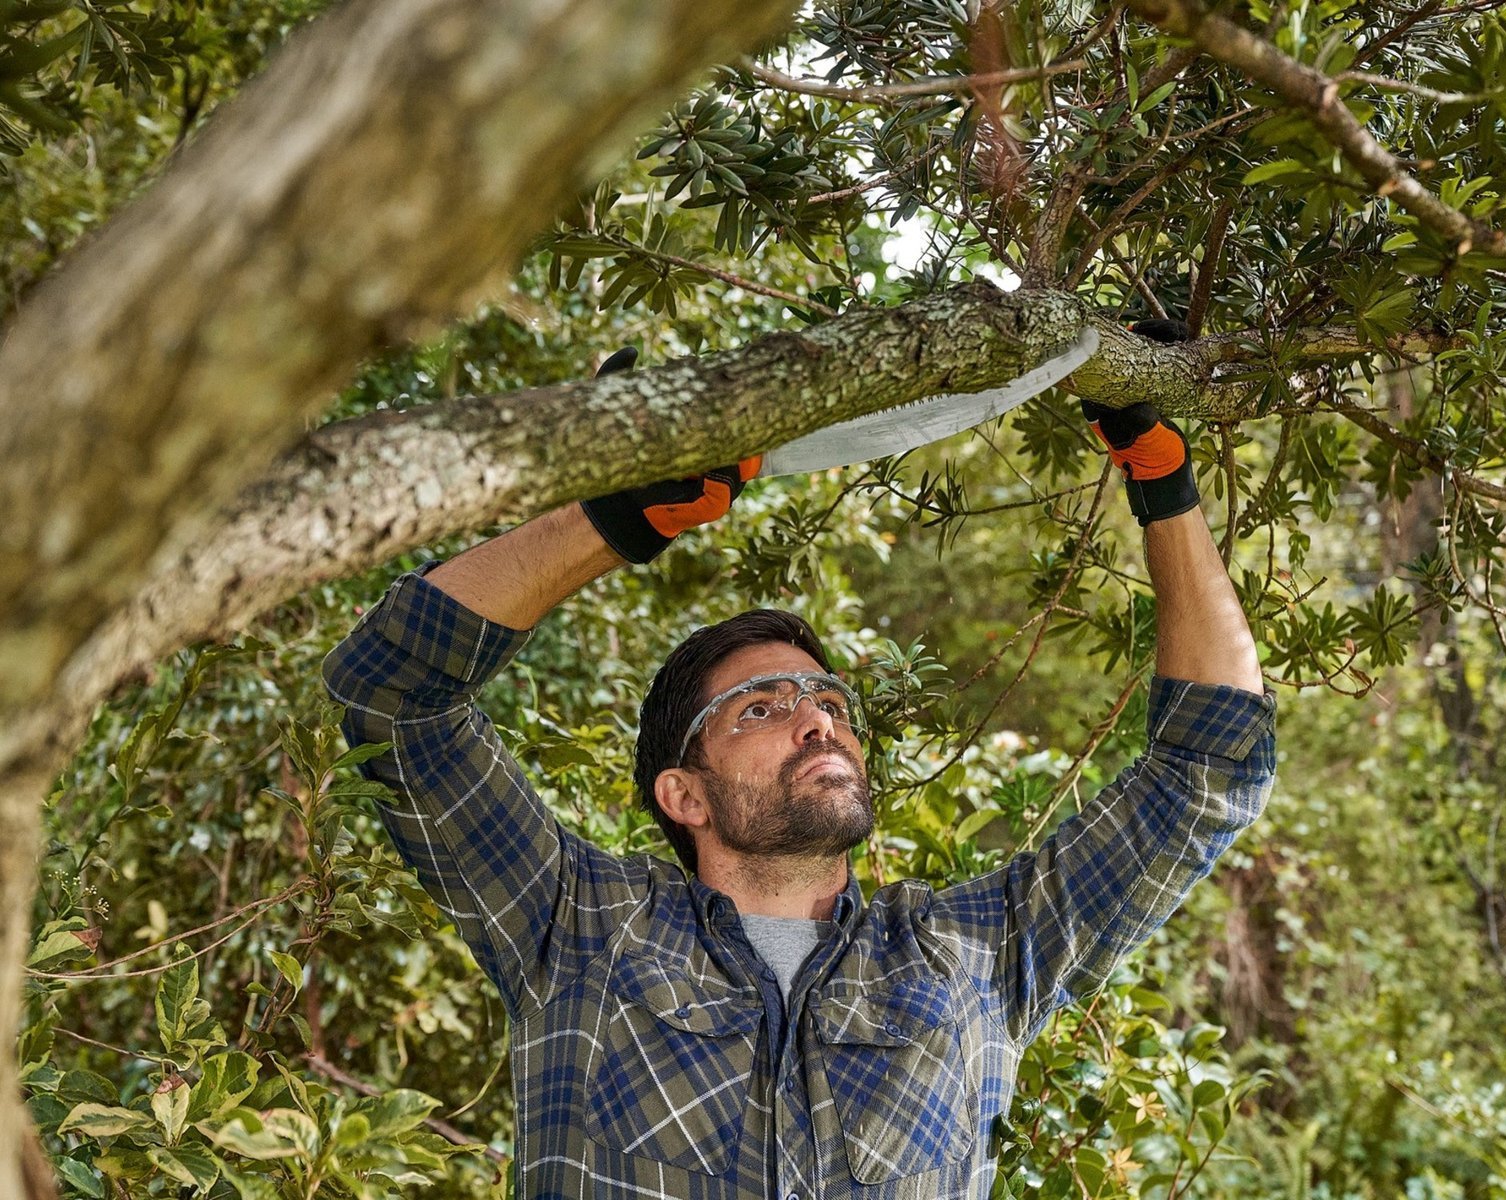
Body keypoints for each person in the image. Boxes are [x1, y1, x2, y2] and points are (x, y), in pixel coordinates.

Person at [322, 329, 1275, 1200]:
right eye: (761, 709)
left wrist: (1163, 479)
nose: (816, 723)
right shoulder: (575, 927)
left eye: (828, 703)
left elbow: (1210, 770)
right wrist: (614, 520)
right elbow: (390, 694)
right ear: (682, 793)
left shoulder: (978, 953)